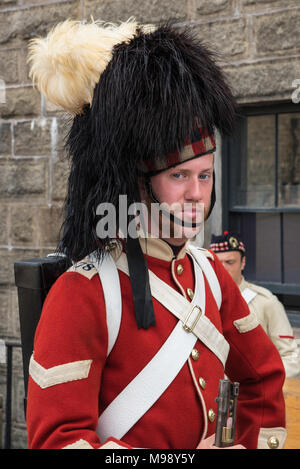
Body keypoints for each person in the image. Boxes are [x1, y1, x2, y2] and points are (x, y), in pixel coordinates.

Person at [25, 18, 286, 450]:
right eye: (179, 175)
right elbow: (59, 439)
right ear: (137, 183)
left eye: (205, 175)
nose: (197, 194)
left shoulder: (210, 276)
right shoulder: (82, 293)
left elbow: (263, 378)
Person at [209, 231, 300, 379]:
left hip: (252, 392)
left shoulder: (266, 302)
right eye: (218, 263)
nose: (223, 268)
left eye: (230, 262)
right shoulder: (202, 300)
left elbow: (291, 358)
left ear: (243, 262)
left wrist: (261, 380)